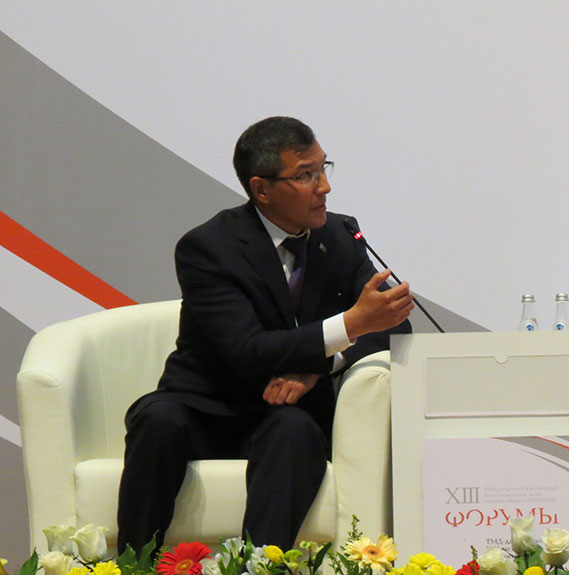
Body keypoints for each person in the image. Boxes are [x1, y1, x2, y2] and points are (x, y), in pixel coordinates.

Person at [117, 116, 414, 552]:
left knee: (294, 431)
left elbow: (393, 323)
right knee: (158, 421)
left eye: (323, 168)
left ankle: (259, 565)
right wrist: (351, 324)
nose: (324, 187)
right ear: (262, 189)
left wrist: (320, 367)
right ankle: (133, 562)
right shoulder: (209, 247)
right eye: (306, 175)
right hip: (205, 406)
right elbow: (247, 350)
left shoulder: (339, 235)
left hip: (285, 413)